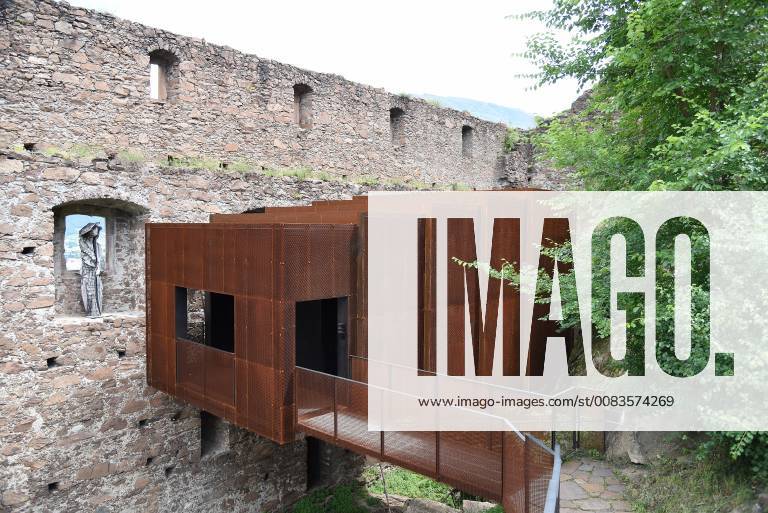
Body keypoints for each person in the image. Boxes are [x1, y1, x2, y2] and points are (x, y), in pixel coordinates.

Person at [78, 222, 104, 317]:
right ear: (90, 231)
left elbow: (99, 259)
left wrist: (98, 267)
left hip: (95, 271)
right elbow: (87, 255)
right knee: (89, 290)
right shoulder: (83, 242)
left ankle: (97, 311)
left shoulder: (98, 245)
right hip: (88, 270)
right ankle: (91, 312)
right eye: (94, 228)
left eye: (97, 228)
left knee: (98, 290)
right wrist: (93, 260)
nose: (96, 230)